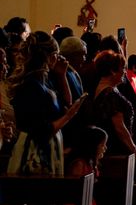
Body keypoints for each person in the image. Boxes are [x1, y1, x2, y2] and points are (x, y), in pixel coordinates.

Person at [8, 31, 86, 175]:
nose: (59, 58)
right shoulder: (30, 85)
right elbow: (40, 130)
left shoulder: (46, 79)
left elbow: (65, 102)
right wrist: (69, 116)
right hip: (34, 151)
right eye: (57, 54)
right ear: (49, 57)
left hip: (50, 144)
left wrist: (62, 76)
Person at [64, 126, 108, 205]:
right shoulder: (79, 164)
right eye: (102, 145)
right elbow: (74, 189)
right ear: (92, 146)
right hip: (76, 204)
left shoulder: (89, 162)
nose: (105, 148)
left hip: (86, 201)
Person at [91, 50, 136, 159]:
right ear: (113, 71)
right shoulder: (109, 94)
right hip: (116, 151)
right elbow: (119, 127)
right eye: (122, 68)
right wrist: (133, 148)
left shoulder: (108, 89)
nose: (125, 72)